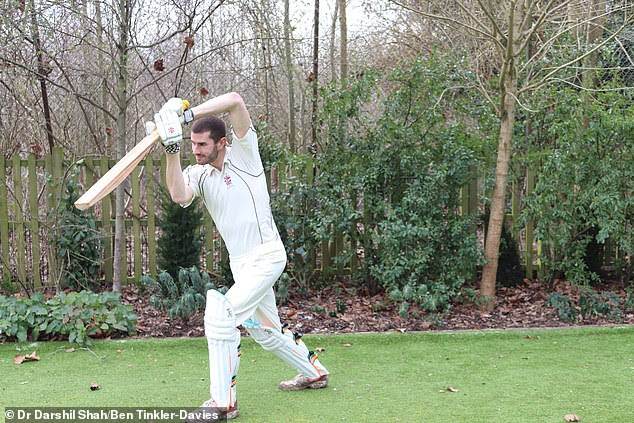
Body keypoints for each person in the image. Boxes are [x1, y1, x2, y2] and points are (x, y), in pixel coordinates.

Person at [148, 93, 329, 421]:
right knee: (265, 330)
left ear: (222, 142)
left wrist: (186, 114)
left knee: (220, 317)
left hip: (268, 255)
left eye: (202, 145)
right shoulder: (199, 174)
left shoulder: (245, 155)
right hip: (242, 264)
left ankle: (223, 405)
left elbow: (234, 101)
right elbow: (178, 195)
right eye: (191, 145)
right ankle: (315, 371)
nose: (197, 151)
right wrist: (172, 151)